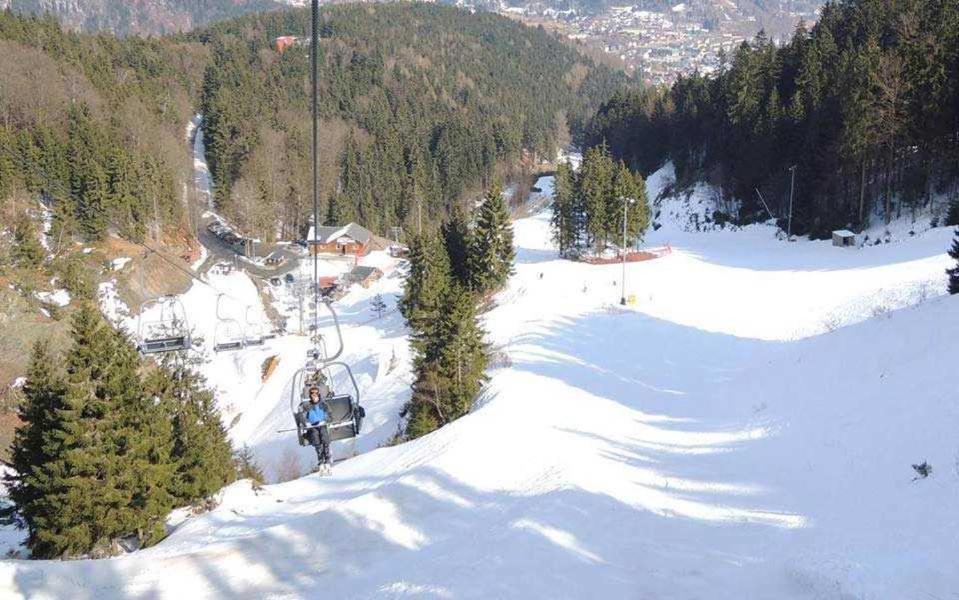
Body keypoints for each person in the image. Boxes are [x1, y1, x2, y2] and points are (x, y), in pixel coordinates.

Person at [300, 386, 332, 471]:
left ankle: (327, 458)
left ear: (319, 394)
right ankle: (320, 459)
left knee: (324, 435)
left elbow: (329, 415)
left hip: (322, 425)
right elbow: (303, 417)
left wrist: (326, 420)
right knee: (315, 437)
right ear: (310, 396)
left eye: (316, 393)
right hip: (313, 427)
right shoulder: (307, 406)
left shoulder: (323, 405)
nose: (314, 395)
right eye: (312, 394)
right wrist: (307, 423)